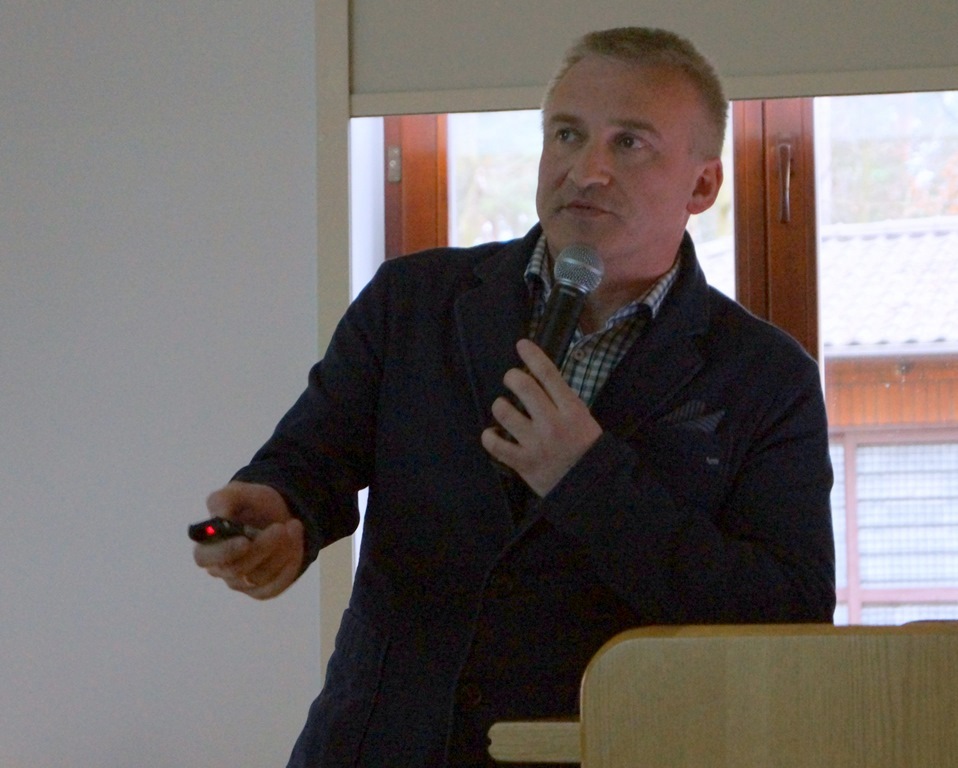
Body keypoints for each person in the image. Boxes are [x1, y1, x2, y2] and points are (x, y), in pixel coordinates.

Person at [194, 26, 836, 767]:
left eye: (629, 143)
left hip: (602, 751)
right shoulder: (414, 301)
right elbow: (310, 460)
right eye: (567, 134)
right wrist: (275, 509)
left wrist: (588, 478)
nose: (586, 170)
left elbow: (789, 614)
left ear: (702, 186)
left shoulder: (765, 378)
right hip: (380, 746)